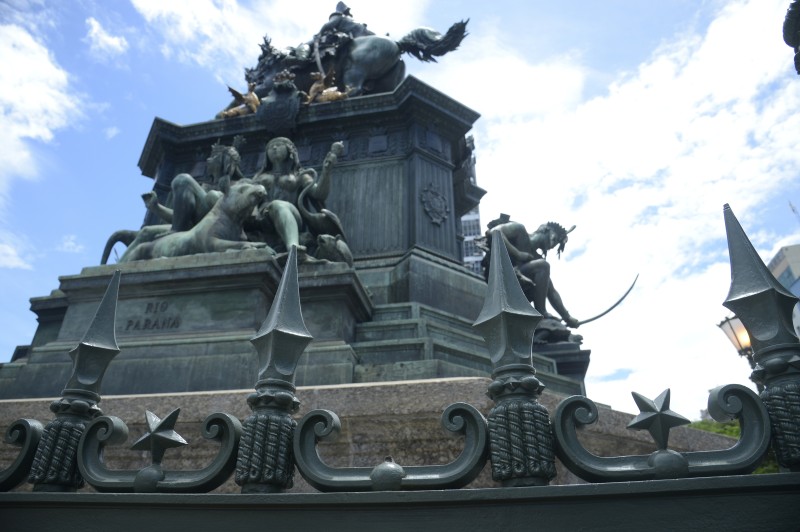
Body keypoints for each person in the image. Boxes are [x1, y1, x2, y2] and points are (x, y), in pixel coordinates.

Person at [251, 137, 342, 252]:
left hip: (292, 216)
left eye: (279, 145)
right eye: (270, 147)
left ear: (290, 150)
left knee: (278, 205)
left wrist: (327, 170)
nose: (274, 148)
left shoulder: (300, 175)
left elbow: (319, 194)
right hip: (264, 219)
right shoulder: (259, 177)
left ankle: (293, 247)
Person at [487, 217, 580, 328]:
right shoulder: (519, 229)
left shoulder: (536, 260)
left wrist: (567, 317)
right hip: (501, 280)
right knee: (543, 265)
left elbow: (551, 291)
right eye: (554, 240)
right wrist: (517, 253)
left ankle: (540, 316)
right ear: (546, 230)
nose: (552, 247)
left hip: (517, 287)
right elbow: (494, 233)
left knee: (542, 266)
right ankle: (541, 313)